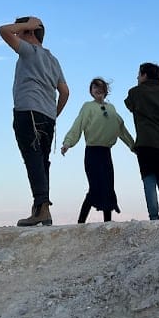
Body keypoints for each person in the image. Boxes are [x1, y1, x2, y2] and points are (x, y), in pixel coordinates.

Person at [0, 16, 69, 226]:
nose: (17, 33)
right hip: (47, 116)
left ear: (29, 33)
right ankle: (42, 209)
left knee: (32, 158)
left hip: (28, 110)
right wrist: (54, 113)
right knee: (42, 161)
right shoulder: (53, 60)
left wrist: (27, 25)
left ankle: (41, 208)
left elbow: (3, 30)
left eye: (21, 31)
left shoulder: (29, 51)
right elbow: (64, 91)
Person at [61, 77, 135, 223]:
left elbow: (121, 128)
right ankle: (80, 222)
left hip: (106, 153)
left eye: (101, 88)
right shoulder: (88, 106)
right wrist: (67, 143)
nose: (98, 90)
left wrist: (133, 146)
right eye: (95, 87)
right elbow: (78, 125)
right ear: (91, 91)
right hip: (92, 152)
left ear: (105, 91)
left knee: (108, 187)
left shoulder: (111, 108)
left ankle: (107, 223)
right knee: (95, 187)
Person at [124, 63, 159, 220]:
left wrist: (139, 86)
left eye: (139, 74)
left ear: (144, 75)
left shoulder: (135, 92)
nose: (137, 77)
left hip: (145, 142)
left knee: (149, 179)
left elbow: (129, 105)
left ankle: (154, 215)